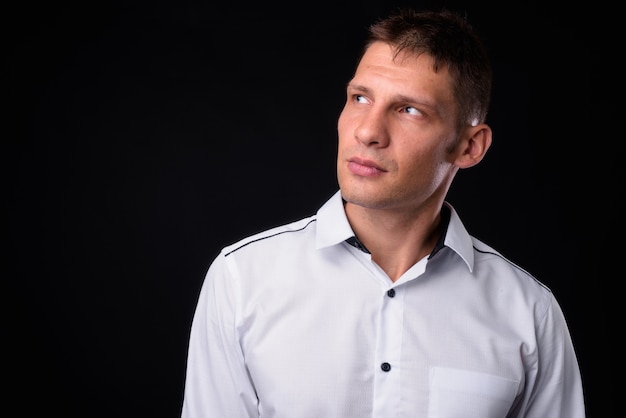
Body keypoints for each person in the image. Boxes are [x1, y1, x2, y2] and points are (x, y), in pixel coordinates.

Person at [181, 7, 585, 417]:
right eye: (360, 98)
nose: (368, 131)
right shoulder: (241, 280)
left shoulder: (530, 313)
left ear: (469, 147)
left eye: (409, 109)